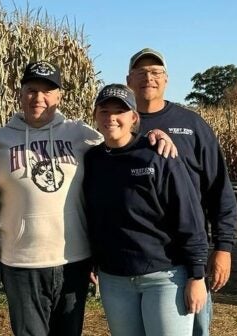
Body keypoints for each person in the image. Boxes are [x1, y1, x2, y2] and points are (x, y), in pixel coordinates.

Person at [0, 61, 177, 336]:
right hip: (21, 263)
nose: (38, 98)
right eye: (31, 90)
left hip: (73, 261)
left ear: (59, 96)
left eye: (47, 91)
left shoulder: (79, 134)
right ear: (19, 93)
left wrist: (153, 134)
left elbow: (120, 140)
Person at [127, 48, 237, 336]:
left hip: (188, 256)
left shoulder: (192, 125)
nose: (148, 78)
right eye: (140, 73)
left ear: (166, 79)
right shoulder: (118, 125)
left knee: (197, 327)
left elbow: (219, 188)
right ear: (129, 80)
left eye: (155, 73)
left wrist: (224, 247)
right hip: (137, 258)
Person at [83, 83, 208, 336]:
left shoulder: (157, 155)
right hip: (114, 280)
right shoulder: (91, 159)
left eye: (120, 111)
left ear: (133, 118)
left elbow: (189, 217)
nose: (111, 118)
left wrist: (197, 276)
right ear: (95, 115)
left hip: (165, 277)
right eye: (104, 111)